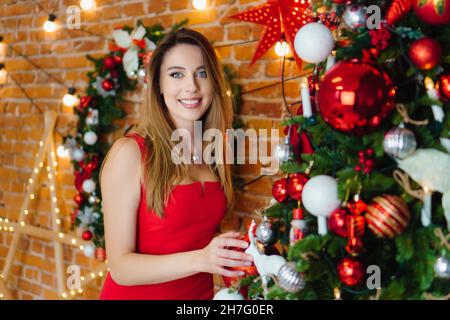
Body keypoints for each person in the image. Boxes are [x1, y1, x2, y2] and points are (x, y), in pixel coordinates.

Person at [98, 28, 253, 300]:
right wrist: (201, 259)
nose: (192, 86)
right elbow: (121, 267)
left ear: (214, 82)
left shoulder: (215, 148)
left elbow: (187, 232)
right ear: (158, 84)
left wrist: (222, 246)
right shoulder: (130, 153)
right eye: (176, 74)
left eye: (201, 73)